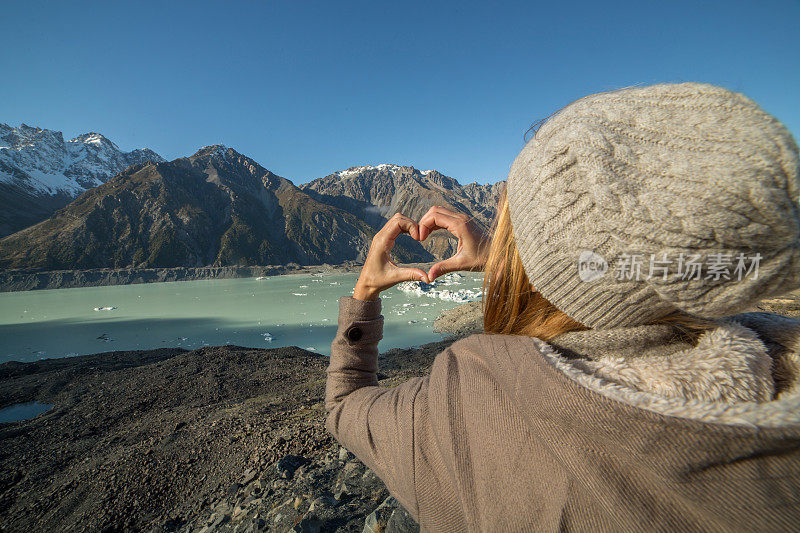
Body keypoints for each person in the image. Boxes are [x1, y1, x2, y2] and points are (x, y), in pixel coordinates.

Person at [325, 83, 800, 532]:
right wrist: (516, 262)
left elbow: (346, 405)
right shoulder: (779, 371)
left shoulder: (468, 401)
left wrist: (365, 294)